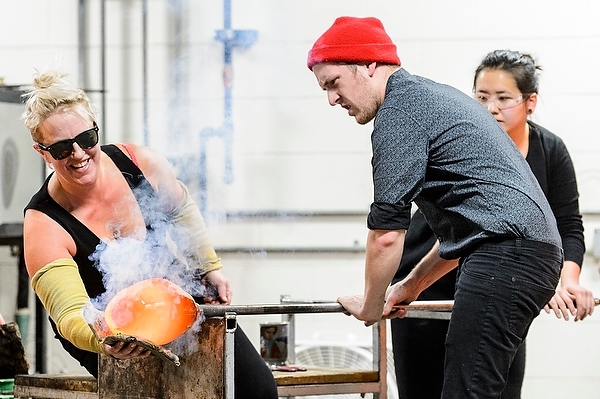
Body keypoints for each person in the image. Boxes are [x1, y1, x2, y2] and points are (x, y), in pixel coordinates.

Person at [308, 17, 564, 398]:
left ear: (368, 66)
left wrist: (371, 304)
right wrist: (409, 286)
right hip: (520, 253)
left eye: (334, 83)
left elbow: (385, 237)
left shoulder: (399, 114)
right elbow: (469, 234)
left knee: (468, 390)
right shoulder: (430, 97)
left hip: (509, 256)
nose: (331, 98)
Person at [20, 71, 278, 399]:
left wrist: (208, 266)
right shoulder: (44, 223)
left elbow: (181, 208)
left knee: (257, 389)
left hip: (176, 298)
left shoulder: (138, 162)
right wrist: (102, 336)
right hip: (111, 334)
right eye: (60, 149)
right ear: (41, 151)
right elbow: (70, 314)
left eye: (86, 139)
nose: (79, 154)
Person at [390, 49, 595, 399]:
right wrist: (407, 286)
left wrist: (568, 279)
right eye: (481, 97)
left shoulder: (549, 150)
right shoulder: (464, 140)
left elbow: (567, 225)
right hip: (432, 280)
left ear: (530, 102)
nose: (491, 108)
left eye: (503, 98)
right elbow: (469, 229)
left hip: (498, 284)